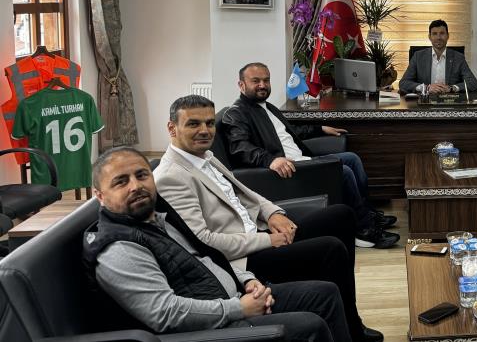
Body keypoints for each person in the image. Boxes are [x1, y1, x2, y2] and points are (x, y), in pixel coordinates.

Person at [154, 94, 384, 342]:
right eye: (193, 124)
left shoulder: (205, 156)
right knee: (331, 249)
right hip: (243, 258)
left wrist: (273, 212)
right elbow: (204, 242)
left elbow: (245, 192)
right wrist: (268, 240)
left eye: (209, 123)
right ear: (172, 128)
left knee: (341, 215)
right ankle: (351, 329)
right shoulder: (170, 177)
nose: (204, 130)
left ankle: (350, 319)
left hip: (258, 230)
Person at [83, 147, 350, 341]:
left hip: (233, 296)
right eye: (121, 182)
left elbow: (206, 255)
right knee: (310, 326)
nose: (135, 186)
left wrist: (246, 280)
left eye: (142, 175)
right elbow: (165, 314)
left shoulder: (158, 216)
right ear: (100, 196)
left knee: (324, 294)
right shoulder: (119, 247)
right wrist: (240, 308)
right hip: (212, 328)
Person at [222, 62, 399, 249]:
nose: (262, 85)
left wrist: (320, 129)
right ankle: (364, 231)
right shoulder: (236, 113)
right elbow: (240, 148)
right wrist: (270, 160)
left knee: (352, 159)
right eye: (256, 81)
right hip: (287, 170)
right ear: (241, 85)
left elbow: (289, 131)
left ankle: (367, 215)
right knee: (343, 171)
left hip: (302, 161)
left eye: (266, 80)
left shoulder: (267, 107)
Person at [399, 20, 477, 94]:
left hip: (449, 101)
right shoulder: (418, 56)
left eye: (442, 33)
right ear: (429, 37)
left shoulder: (458, 57)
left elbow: (473, 83)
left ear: (448, 36)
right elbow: (404, 83)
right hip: (425, 101)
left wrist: (452, 88)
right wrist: (426, 88)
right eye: (434, 34)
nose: (438, 37)